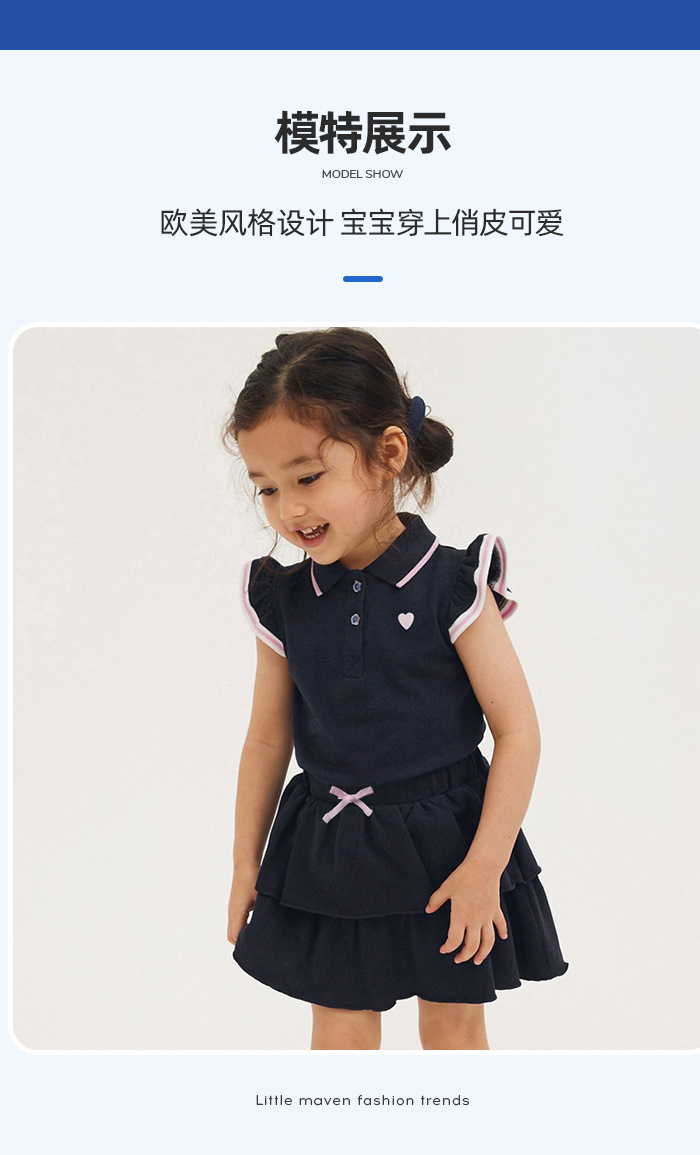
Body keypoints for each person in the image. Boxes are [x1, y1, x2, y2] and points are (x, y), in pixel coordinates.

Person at [224, 327, 569, 1050]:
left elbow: (518, 732)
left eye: (307, 478)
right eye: (267, 489)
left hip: (450, 847)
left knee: (452, 1023)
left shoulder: (453, 585)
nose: (289, 510)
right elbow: (266, 740)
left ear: (388, 453)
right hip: (330, 849)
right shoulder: (283, 599)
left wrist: (485, 867)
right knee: (341, 1028)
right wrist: (244, 864)